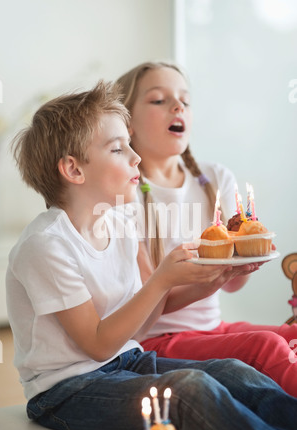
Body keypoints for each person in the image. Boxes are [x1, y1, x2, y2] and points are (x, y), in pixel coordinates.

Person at [6, 80, 297, 430]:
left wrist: (214, 278)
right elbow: (97, 346)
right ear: (73, 170)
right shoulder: (46, 246)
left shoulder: (122, 220)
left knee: (234, 372)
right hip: (66, 391)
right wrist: (161, 280)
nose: (136, 157)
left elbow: (151, 309)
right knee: (190, 390)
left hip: (127, 360)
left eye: (130, 144)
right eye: (117, 148)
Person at [116, 61, 297, 398]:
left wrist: (242, 262)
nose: (177, 106)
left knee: (292, 335)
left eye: (185, 100)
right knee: (267, 345)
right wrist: (217, 277)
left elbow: (233, 286)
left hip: (212, 329)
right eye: (158, 100)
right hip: (158, 342)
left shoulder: (215, 178)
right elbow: (150, 302)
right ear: (126, 122)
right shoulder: (124, 192)